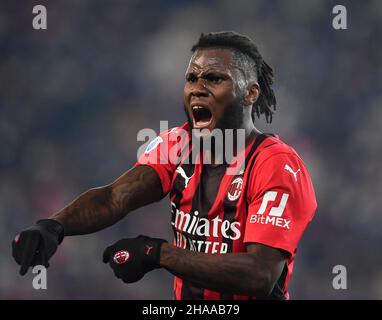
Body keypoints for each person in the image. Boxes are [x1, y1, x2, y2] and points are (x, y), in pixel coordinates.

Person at [11, 31, 317, 300]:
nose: (197, 88)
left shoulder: (276, 165)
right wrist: (54, 225)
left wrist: (158, 253)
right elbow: (114, 197)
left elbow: (260, 275)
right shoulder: (176, 144)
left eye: (214, 78)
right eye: (191, 78)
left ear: (250, 92)